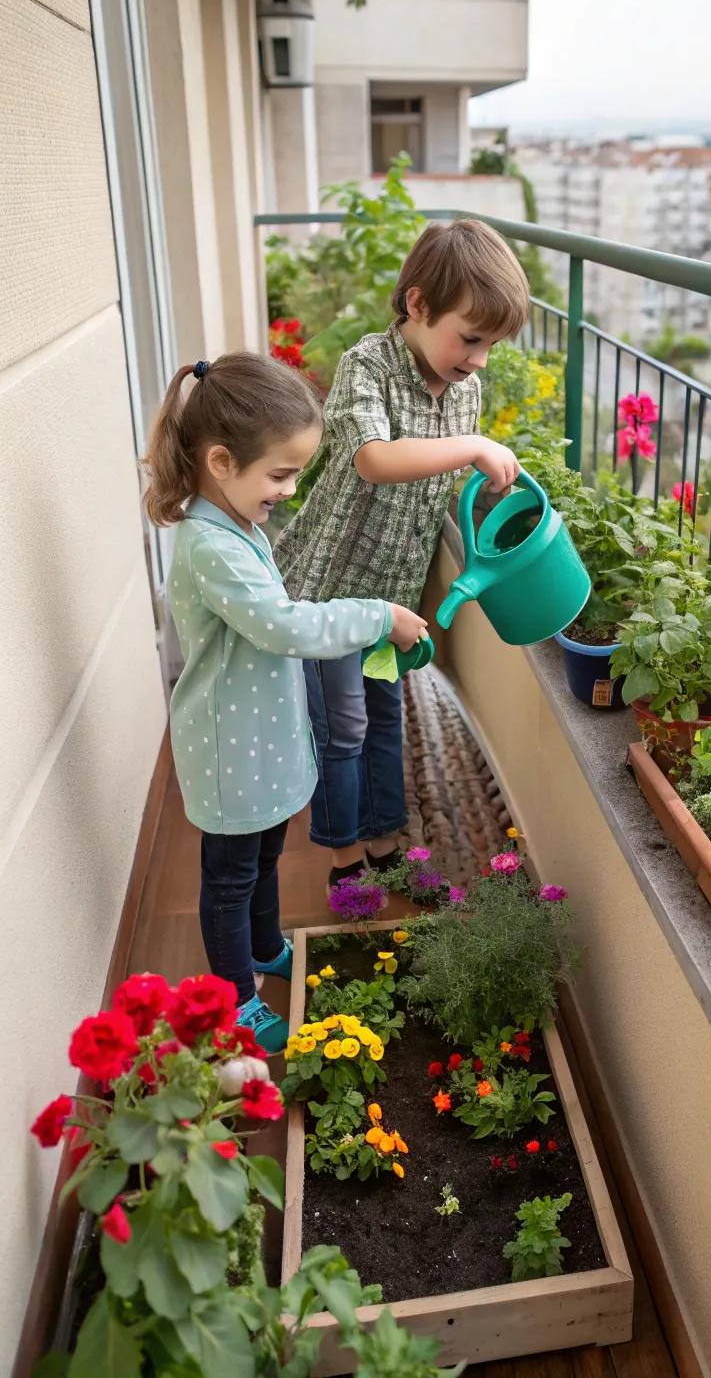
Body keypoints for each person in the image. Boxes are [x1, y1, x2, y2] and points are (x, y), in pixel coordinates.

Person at [142, 352, 427, 1050]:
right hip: (229, 748)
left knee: (266, 854)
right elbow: (284, 625)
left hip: (257, 739)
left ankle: (265, 947)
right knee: (231, 876)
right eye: (279, 474)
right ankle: (234, 999)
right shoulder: (212, 547)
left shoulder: (236, 525)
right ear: (219, 462)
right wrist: (376, 615)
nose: (290, 490)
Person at [275, 219, 529, 892]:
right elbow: (375, 458)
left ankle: (386, 839)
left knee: (387, 713)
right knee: (343, 728)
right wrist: (473, 447)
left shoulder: (466, 389)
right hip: (329, 597)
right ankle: (342, 859)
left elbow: (440, 483)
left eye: (491, 345)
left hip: (391, 603)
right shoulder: (369, 364)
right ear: (417, 305)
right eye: (470, 337)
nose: (478, 359)